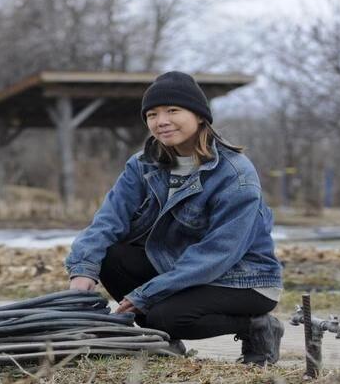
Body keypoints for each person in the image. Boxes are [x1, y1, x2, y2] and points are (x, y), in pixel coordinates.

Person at [65, 71, 285, 365]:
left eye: (173, 110)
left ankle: (258, 327)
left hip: (243, 279)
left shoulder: (235, 174)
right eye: (152, 114)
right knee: (112, 256)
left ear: (199, 116)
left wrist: (147, 294)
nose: (161, 121)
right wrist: (83, 270)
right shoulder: (142, 165)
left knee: (166, 315)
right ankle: (165, 343)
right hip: (181, 268)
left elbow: (217, 254)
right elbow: (108, 220)